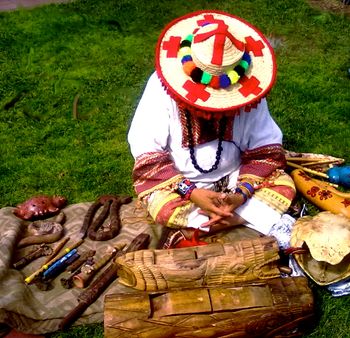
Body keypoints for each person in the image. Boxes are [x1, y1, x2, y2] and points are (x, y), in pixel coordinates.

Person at [128, 10, 296, 248]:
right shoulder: (161, 87)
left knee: (284, 186)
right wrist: (192, 192)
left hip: (235, 179)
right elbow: (147, 152)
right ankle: (240, 219)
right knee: (163, 208)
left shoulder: (251, 93)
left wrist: (240, 195)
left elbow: (264, 150)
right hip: (180, 184)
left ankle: (220, 220)